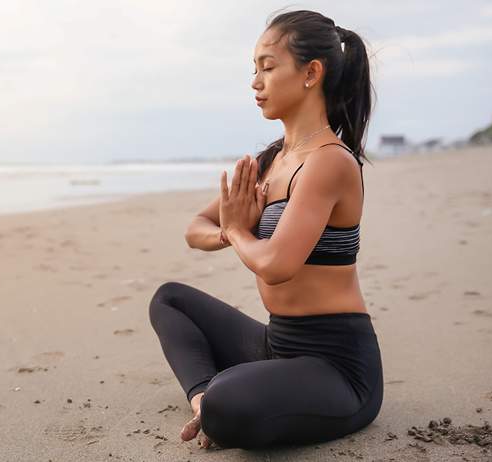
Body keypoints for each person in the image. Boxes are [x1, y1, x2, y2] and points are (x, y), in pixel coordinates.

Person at [149, 9, 383, 450]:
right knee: (170, 300)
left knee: (231, 402)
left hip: (338, 366)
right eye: (253, 69)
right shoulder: (270, 161)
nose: (256, 82)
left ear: (312, 72)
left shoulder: (330, 161)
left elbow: (277, 265)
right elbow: (195, 228)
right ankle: (202, 398)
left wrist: (238, 230)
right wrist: (229, 230)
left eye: (268, 67)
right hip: (278, 342)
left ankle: (220, 398)